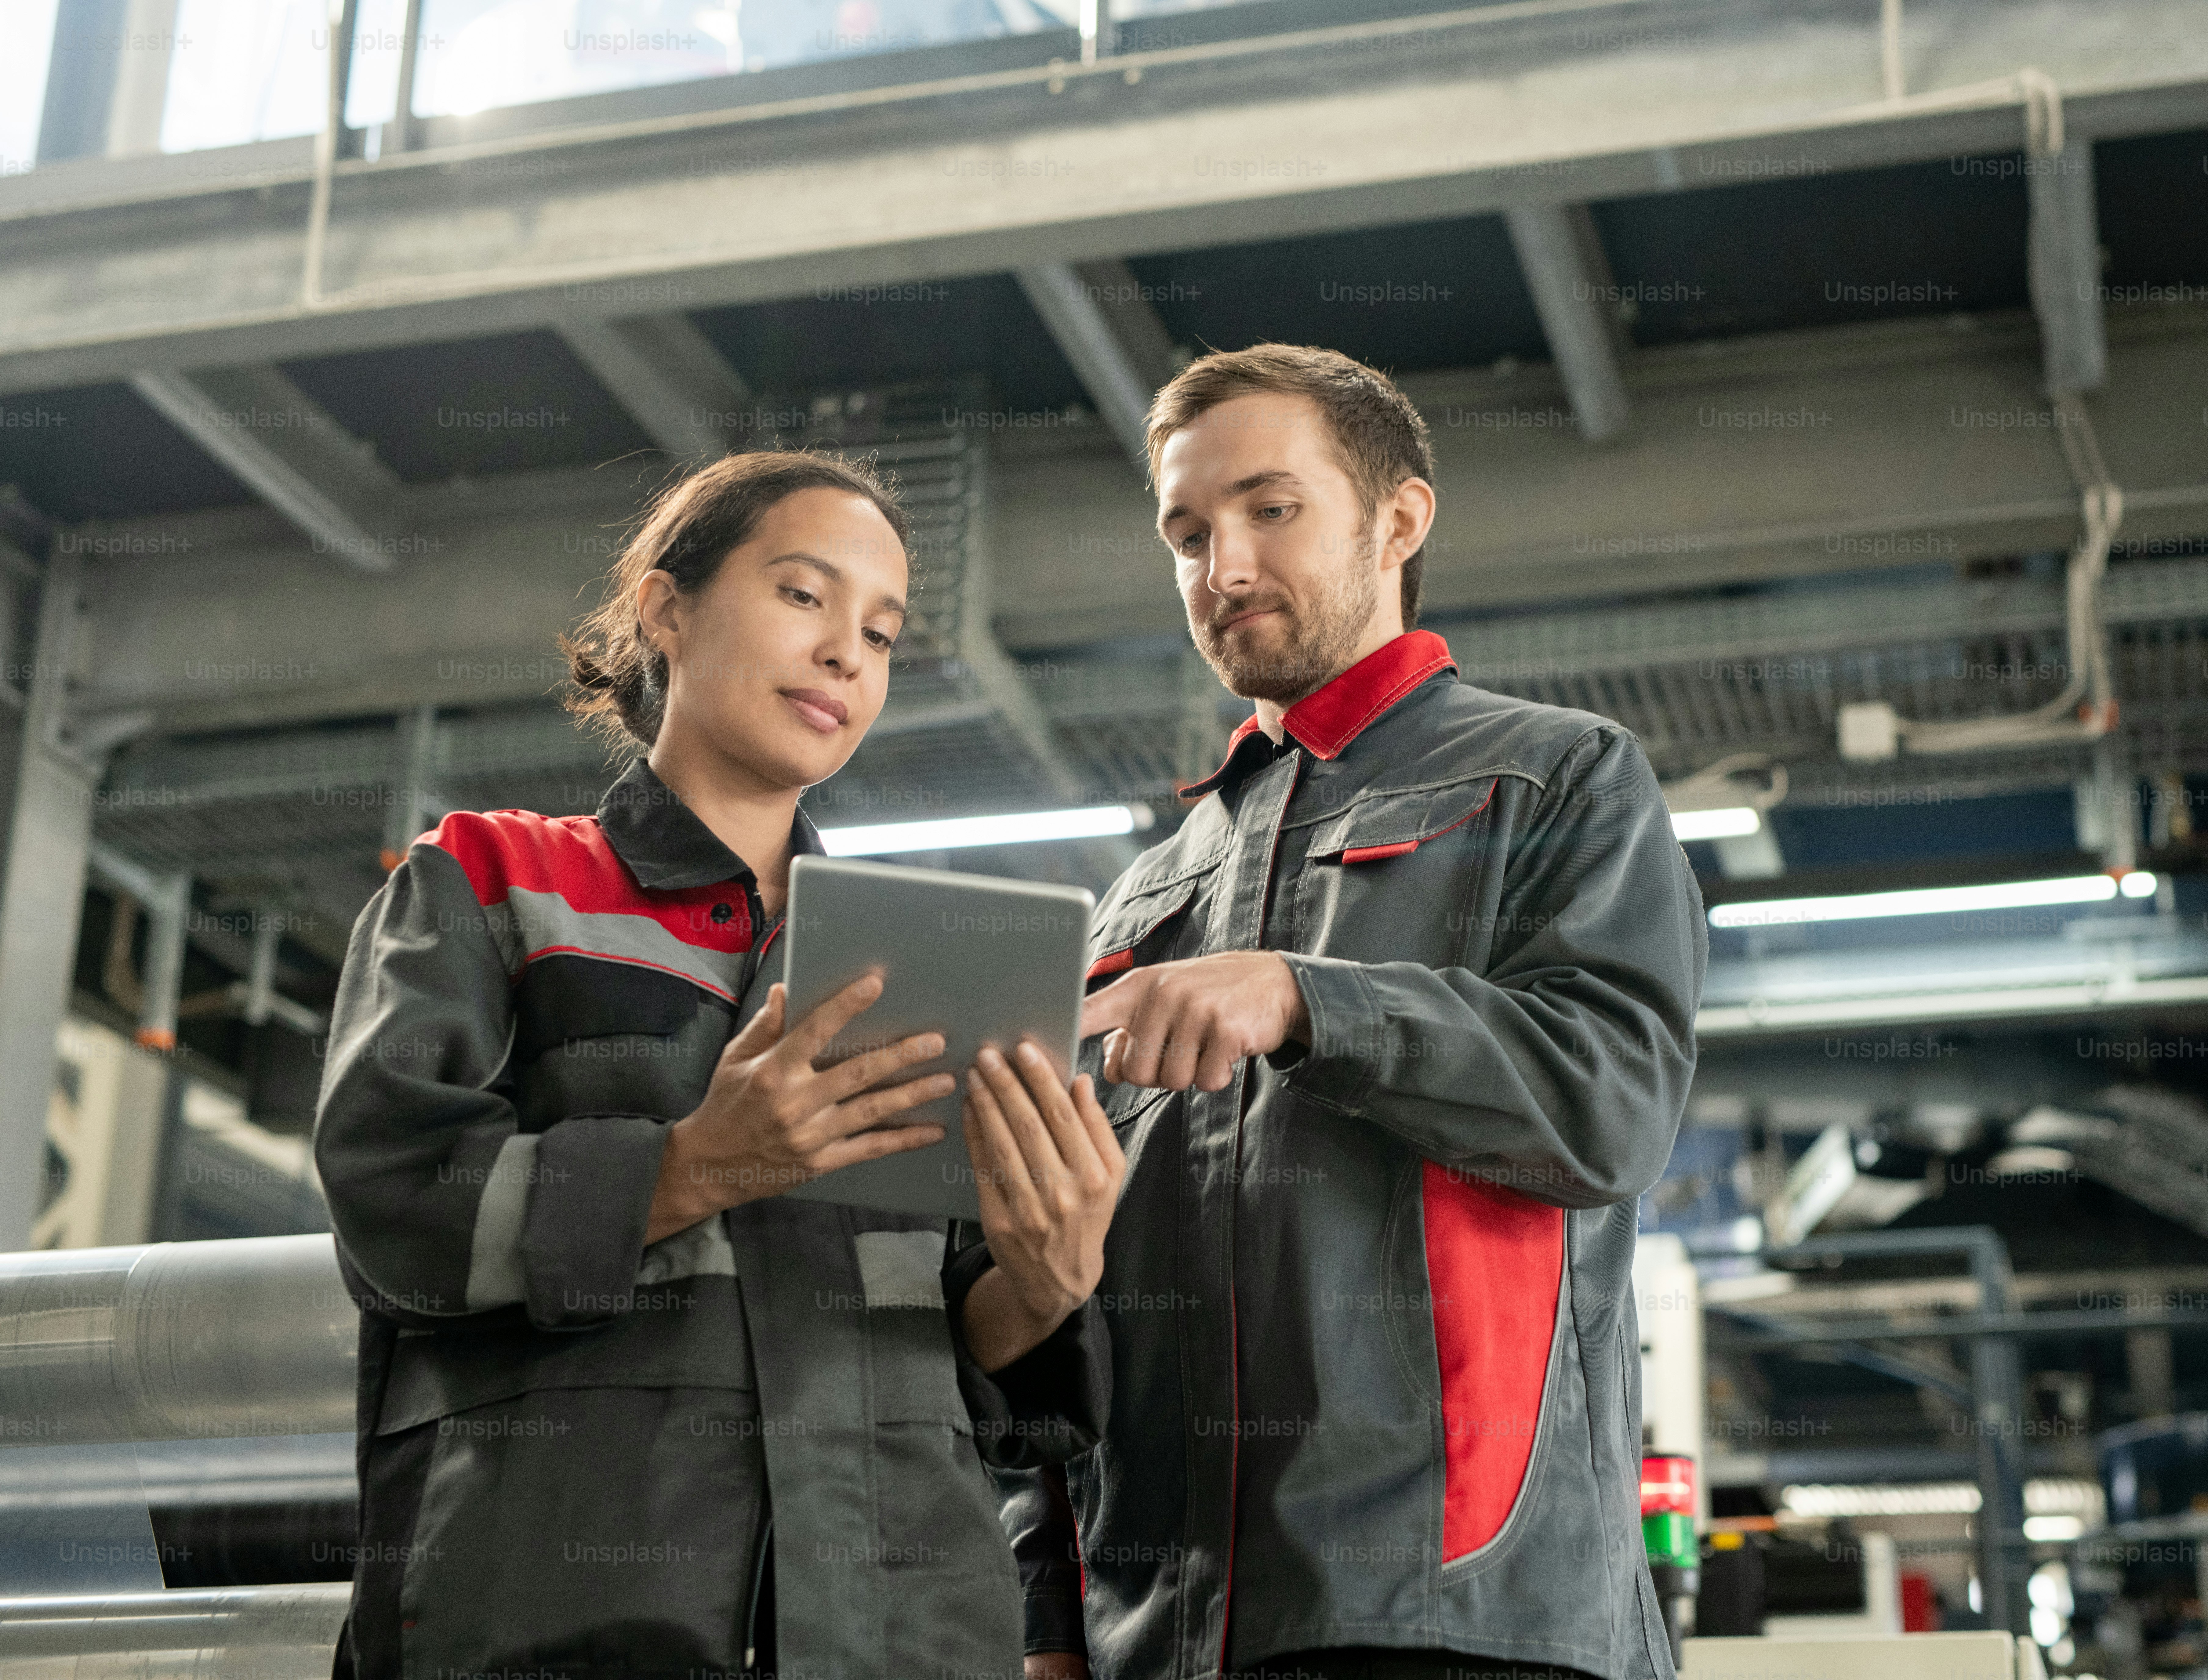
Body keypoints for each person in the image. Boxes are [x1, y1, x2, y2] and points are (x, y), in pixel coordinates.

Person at [314, 449, 1126, 1680]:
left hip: (902, 1636)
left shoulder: (933, 961)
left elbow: (971, 1345)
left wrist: (1048, 1278)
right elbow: (397, 1200)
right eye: (805, 594)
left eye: (884, 631)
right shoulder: (491, 879)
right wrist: (690, 1166)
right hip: (552, 1621)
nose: (851, 652)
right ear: (667, 607)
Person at [1003, 344, 1708, 1680]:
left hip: (1465, 1611)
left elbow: (1609, 1104)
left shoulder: (1554, 779)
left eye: (1272, 509)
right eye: (1189, 531)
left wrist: (1307, 996)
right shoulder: (1138, 900)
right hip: (1157, 1632)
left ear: (1399, 520)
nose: (1224, 568)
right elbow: (1059, 1281)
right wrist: (1046, 1606)